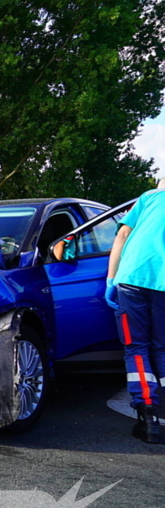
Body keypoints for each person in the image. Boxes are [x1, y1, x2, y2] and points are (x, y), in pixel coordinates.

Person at [106, 184, 165, 444]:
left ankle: (148, 418)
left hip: (132, 280)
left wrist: (110, 279)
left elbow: (121, 236)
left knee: (136, 348)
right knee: (162, 349)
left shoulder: (148, 198)